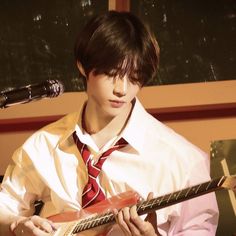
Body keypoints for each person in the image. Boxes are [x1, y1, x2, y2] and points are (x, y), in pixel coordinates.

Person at [0, 10, 219, 236]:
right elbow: (5, 205)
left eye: (134, 77)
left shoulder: (183, 160)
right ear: (83, 66)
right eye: (112, 73)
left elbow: (199, 229)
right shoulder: (44, 145)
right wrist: (17, 225)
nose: (122, 90)